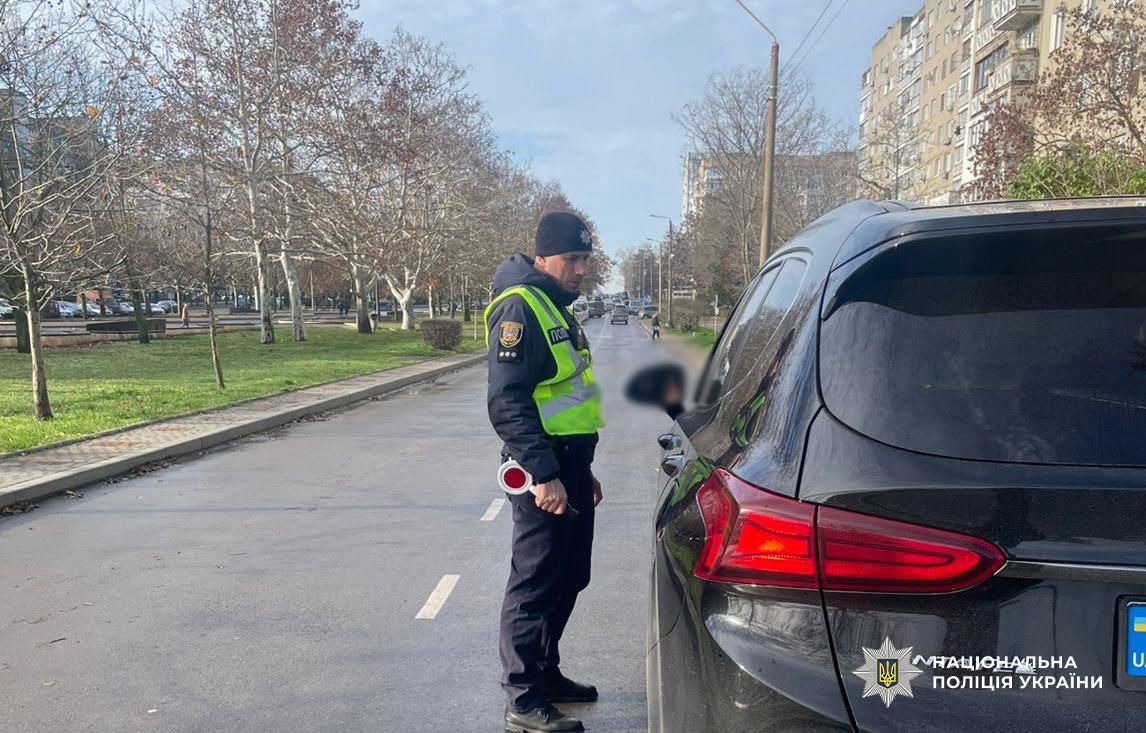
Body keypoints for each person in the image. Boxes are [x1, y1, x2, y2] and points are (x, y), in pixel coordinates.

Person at [485, 211, 605, 733]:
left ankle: (547, 674)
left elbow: (568, 396)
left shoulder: (558, 307)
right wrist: (545, 471)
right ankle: (523, 700)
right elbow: (507, 401)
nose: (581, 269)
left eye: (585, 259)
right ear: (543, 257)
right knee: (534, 583)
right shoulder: (521, 307)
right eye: (572, 259)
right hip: (542, 473)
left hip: (570, 466)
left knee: (570, 575)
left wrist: (584, 469)